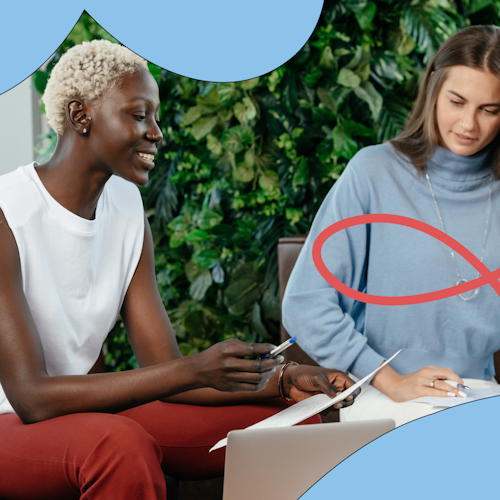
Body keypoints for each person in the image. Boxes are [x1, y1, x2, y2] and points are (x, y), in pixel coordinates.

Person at [0, 40, 360, 500]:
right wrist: (193, 368)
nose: (157, 132)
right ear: (80, 116)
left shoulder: (126, 206)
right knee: (117, 445)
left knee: (294, 421)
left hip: (80, 418)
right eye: (137, 114)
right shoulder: (8, 212)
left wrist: (283, 379)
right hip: (13, 421)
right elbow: (31, 398)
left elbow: (165, 370)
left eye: (154, 116)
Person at [282, 24, 500, 428]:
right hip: (382, 395)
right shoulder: (373, 172)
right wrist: (389, 379)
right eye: (457, 101)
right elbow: (306, 303)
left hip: (479, 395)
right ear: (434, 87)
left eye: (490, 110)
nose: (470, 124)